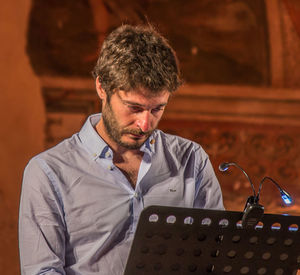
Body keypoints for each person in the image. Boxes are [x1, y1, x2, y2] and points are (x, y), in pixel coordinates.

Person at [19, 24, 224, 275]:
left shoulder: (191, 160)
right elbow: (42, 271)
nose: (145, 124)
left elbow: (214, 256)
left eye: (157, 109)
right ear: (102, 88)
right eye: (134, 108)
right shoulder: (48, 172)